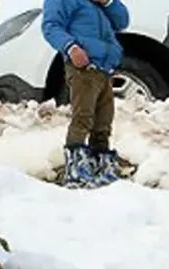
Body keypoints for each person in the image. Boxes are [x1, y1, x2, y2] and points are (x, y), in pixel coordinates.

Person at [41, 0, 130, 189]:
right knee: (83, 116)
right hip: (83, 67)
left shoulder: (99, 4)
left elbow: (122, 21)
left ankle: (100, 163)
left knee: (104, 119)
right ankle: (76, 166)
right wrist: (71, 47)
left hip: (104, 68)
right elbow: (51, 26)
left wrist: (108, 2)